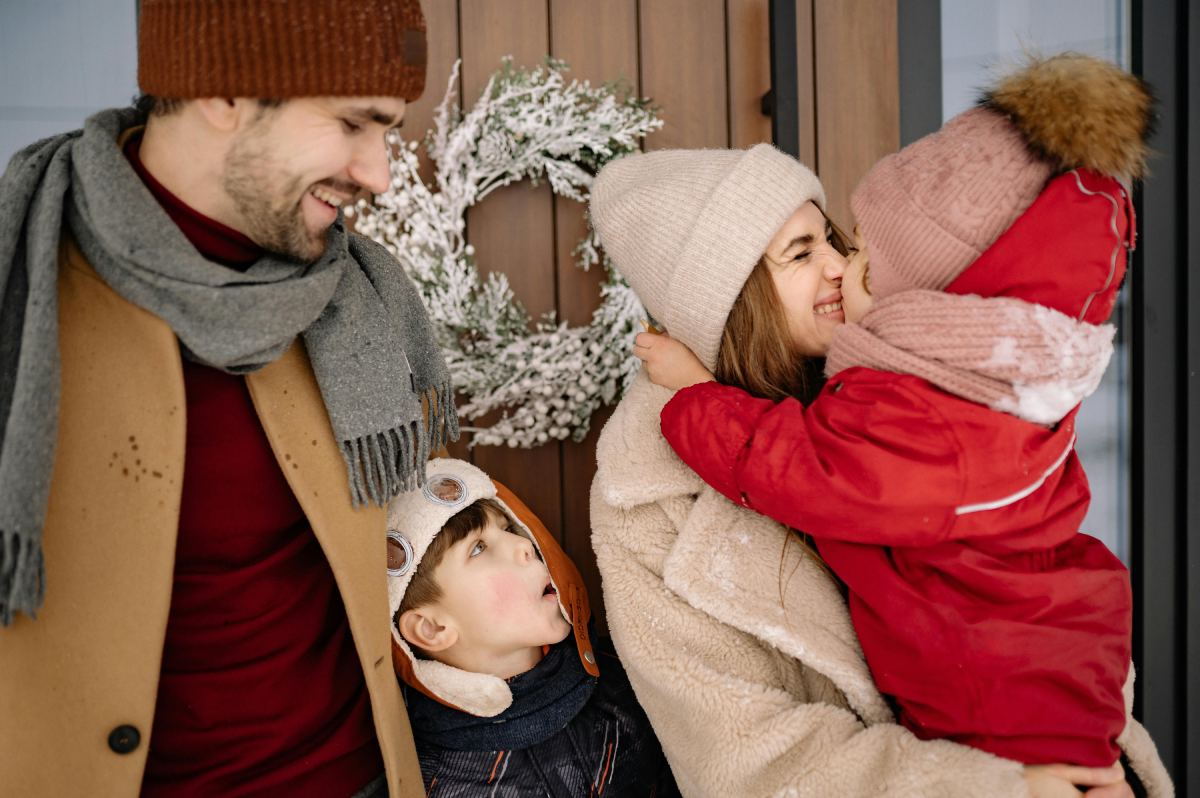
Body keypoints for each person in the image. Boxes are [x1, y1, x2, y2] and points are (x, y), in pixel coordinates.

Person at [588, 68, 1169, 798]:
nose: (841, 267)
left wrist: (1100, 769)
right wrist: (996, 787)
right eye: (802, 255)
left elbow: (1030, 596)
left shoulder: (929, 394)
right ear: (726, 302)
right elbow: (744, 762)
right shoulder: (648, 502)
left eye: (832, 238)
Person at [0, 2, 450, 796]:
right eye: (353, 124)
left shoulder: (354, 302)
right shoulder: (21, 289)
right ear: (226, 92)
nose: (379, 174)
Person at [385, 458, 677, 796]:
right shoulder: (436, 779)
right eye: (478, 548)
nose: (524, 545)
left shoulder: (626, 677)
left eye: (508, 528)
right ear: (433, 628)